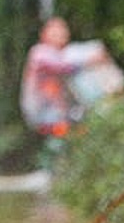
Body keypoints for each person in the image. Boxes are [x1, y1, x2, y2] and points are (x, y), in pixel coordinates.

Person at [19, 16, 117, 144]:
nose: (60, 33)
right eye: (54, 30)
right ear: (43, 34)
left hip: (64, 113)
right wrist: (93, 60)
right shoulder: (39, 52)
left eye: (62, 28)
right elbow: (61, 67)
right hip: (45, 114)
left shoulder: (63, 53)